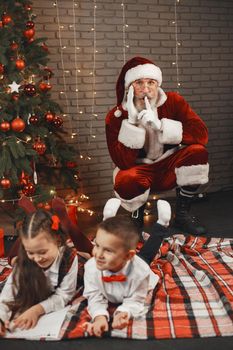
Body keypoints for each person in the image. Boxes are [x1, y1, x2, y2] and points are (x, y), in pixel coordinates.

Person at [105, 56, 209, 235]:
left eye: (151, 82)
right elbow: (122, 161)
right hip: (140, 171)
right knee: (125, 179)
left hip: (168, 165)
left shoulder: (173, 101)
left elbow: (201, 135)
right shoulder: (116, 116)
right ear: (130, 87)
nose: (146, 89)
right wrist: (131, 122)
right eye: (139, 82)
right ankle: (136, 219)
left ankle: (182, 216)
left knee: (198, 152)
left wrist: (161, 125)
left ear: (157, 84)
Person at [83, 200, 172, 338]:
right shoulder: (91, 267)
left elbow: (136, 299)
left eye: (107, 250)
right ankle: (108, 220)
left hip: (136, 264)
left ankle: (162, 224)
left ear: (128, 256)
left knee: (148, 253)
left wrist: (124, 312)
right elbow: (94, 295)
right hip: (123, 259)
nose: (98, 255)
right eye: (97, 245)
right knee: (111, 239)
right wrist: (99, 316)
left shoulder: (140, 272)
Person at [0, 209, 79, 336]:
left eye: (42, 252)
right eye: (30, 252)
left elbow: (64, 295)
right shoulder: (24, 261)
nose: (37, 259)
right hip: (29, 289)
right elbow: (7, 295)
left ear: (58, 241)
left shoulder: (69, 258)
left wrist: (37, 310)